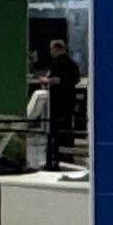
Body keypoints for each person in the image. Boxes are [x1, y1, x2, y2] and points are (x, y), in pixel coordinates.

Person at [43, 36, 82, 165]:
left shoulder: (57, 63)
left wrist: (47, 80)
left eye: (51, 49)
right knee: (68, 126)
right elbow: (77, 79)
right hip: (69, 100)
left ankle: (57, 153)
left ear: (56, 49)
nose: (50, 52)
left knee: (56, 127)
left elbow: (54, 79)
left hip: (57, 101)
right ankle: (68, 152)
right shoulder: (73, 64)